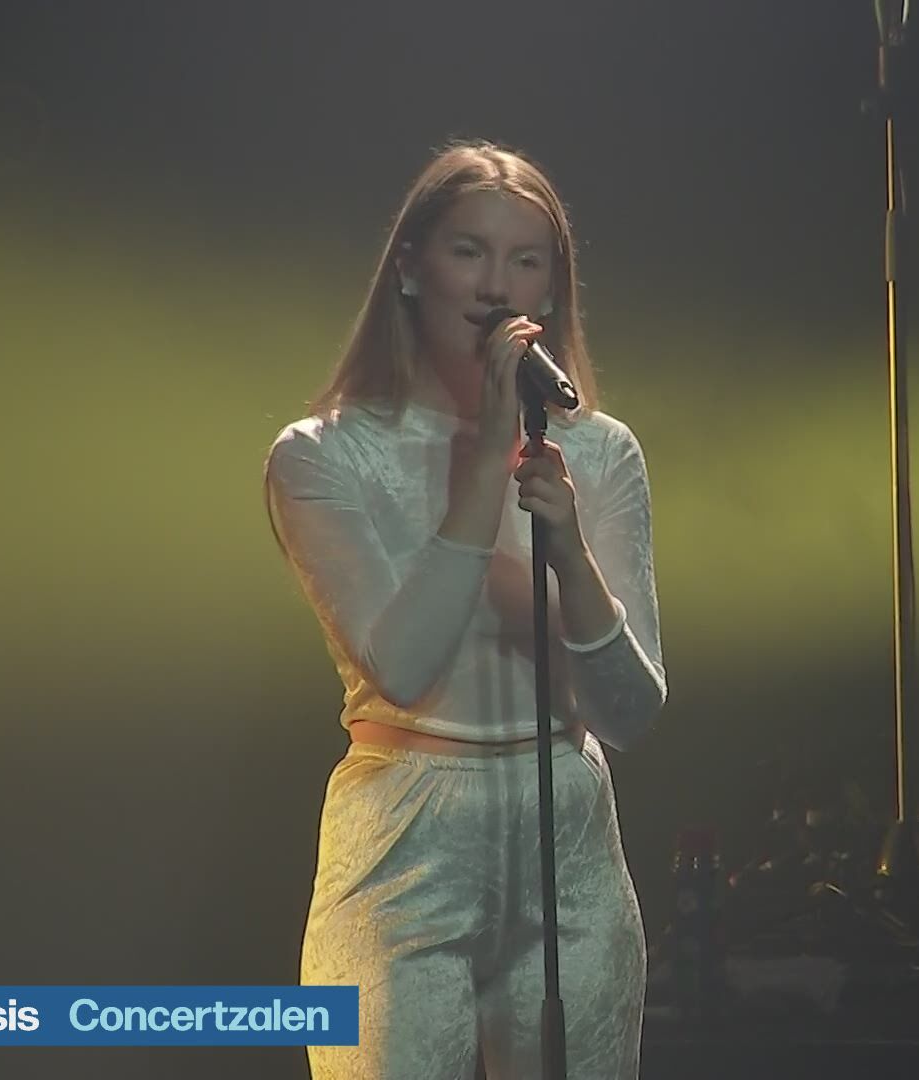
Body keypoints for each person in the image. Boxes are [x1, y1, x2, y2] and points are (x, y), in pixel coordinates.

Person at [262, 140, 667, 1080]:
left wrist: (571, 558)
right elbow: (404, 667)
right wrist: (488, 459)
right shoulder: (321, 454)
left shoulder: (601, 452)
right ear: (410, 268)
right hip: (406, 836)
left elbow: (632, 713)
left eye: (526, 260)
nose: (497, 285)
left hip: (567, 833)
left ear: (553, 290)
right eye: (469, 252)